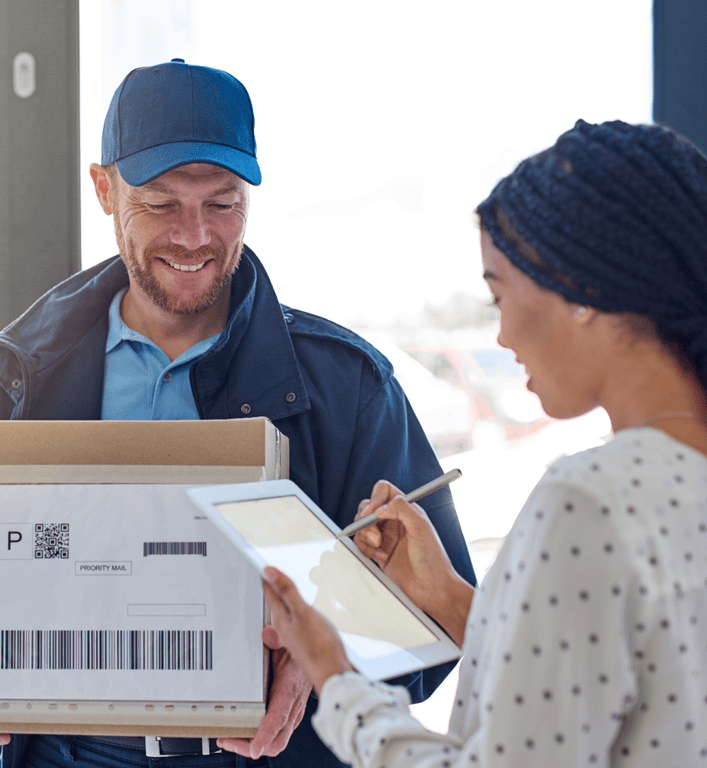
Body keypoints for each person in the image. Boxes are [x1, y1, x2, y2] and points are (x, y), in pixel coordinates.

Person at [0, 60, 476, 768]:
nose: (194, 237)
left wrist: (321, 663)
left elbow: (432, 635)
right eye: (161, 205)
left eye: (222, 204)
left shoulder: (348, 388)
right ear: (104, 189)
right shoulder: (20, 375)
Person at [260, 119, 707, 767]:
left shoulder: (590, 500)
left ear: (578, 287)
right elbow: (616, 684)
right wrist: (446, 596)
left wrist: (336, 675)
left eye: (498, 295)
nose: (501, 338)